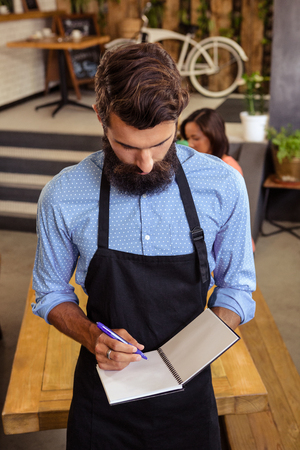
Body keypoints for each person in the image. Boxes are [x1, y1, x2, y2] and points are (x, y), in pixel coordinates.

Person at [32, 43, 256, 450]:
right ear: (101, 117)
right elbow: (50, 292)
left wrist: (195, 350)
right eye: (128, 145)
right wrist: (90, 335)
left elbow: (237, 287)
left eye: (161, 142)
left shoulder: (222, 185)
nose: (147, 162)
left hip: (189, 400)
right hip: (103, 404)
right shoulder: (63, 195)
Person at [180, 108, 255, 252]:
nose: (190, 144)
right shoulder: (199, 164)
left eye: (195, 138)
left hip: (227, 246)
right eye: (187, 138)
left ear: (213, 136)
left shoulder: (229, 169)